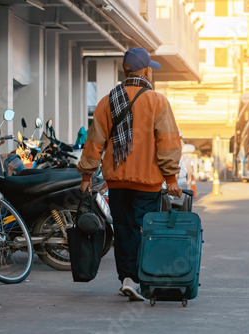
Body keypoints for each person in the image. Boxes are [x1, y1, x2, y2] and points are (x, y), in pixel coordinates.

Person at [77, 47, 182, 301]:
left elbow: (94, 142)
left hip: (118, 181)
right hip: (148, 181)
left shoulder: (107, 102)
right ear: (146, 70)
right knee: (145, 229)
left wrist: (86, 176)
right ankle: (141, 279)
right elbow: (168, 143)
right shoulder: (157, 101)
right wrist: (171, 178)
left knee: (124, 230)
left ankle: (127, 278)